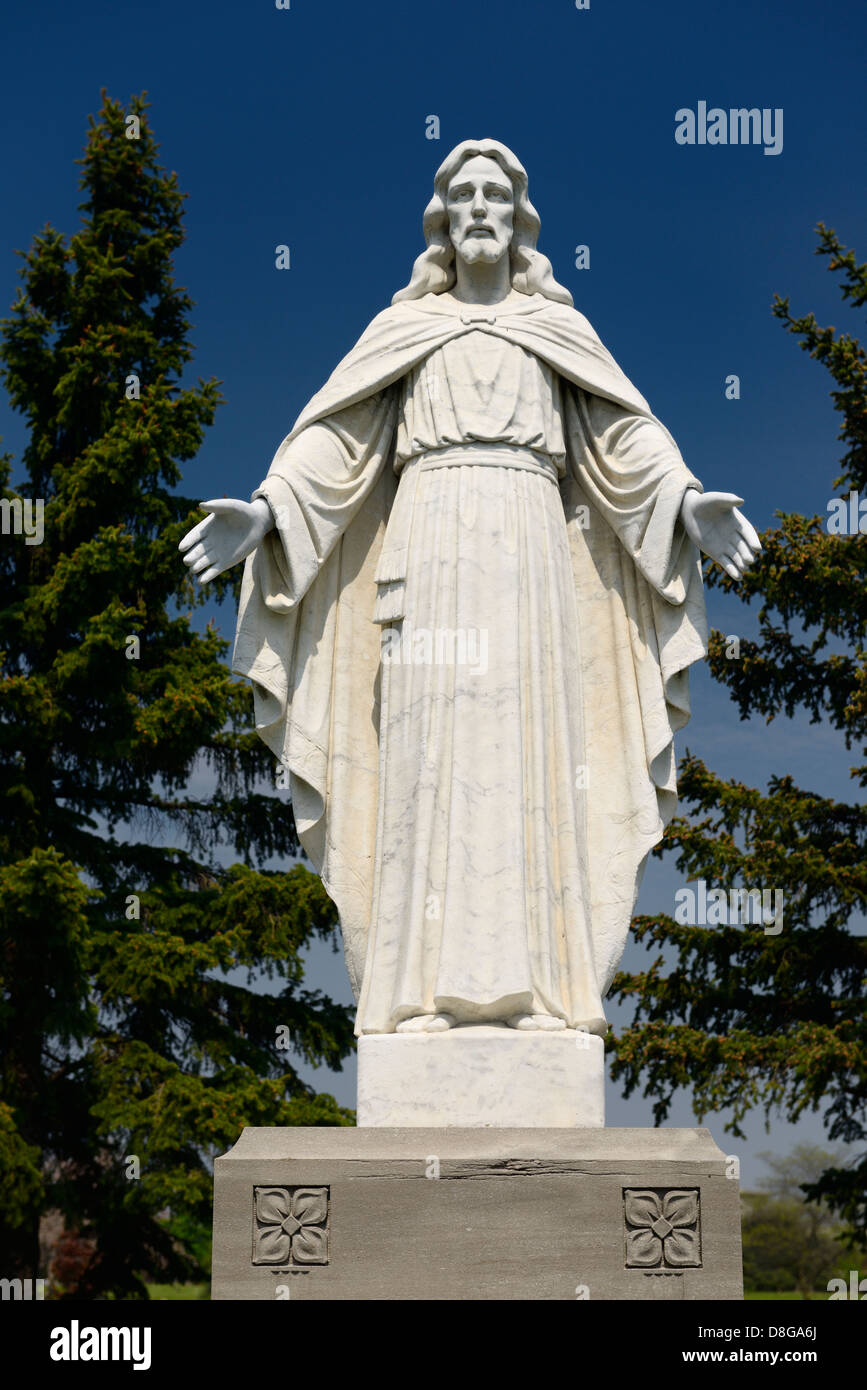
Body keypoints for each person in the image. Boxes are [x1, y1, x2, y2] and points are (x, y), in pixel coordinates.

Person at [179, 139, 760, 1038]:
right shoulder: (403, 332)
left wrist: (684, 502)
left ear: (518, 218)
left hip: (528, 553)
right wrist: (265, 515)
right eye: (465, 195)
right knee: (424, 764)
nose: (481, 207)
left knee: (533, 759)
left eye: (497, 194)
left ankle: (542, 993)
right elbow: (334, 446)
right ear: (443, 220)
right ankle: (416, 994)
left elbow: (624, 442)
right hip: (430, 543)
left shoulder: (556, 332)